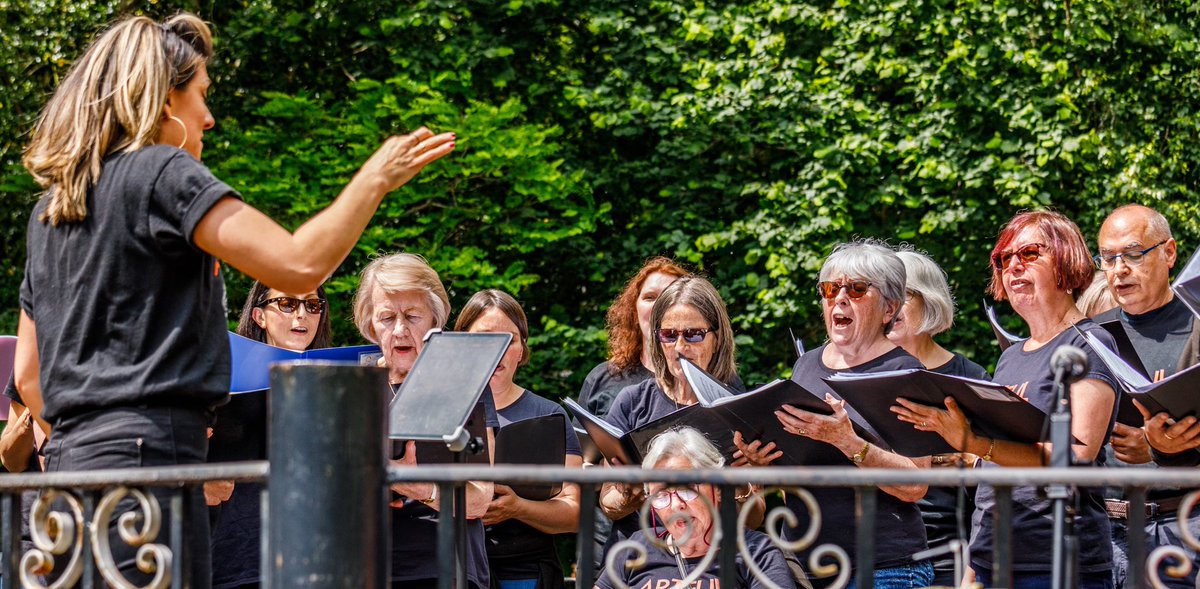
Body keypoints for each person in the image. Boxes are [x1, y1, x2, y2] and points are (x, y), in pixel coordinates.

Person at [14, 13, 452, 588]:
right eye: (200, 95)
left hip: (63, 483)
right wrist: (374, 178)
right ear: (164, 100)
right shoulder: (164, 170)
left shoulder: (52, 208)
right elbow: (298, 266)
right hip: (149, 479)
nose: (209, 116)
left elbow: (29, 377)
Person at [894, 210, 1120, 588]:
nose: (1013, 266)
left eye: (1029, 254)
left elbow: (1076, 454)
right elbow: (991, 477)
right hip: (994, 558)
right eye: (1003, 259)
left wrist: (973, 442)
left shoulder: (1091, 343)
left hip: (1059, 560)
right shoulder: (1011, 357)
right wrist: (973, 566)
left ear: (1067, 261)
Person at [762, 239, 932, 588]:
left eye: (856, 289)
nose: (839, 298)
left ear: (889, 309)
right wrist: (763, 457)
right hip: (802, 563)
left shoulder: (905, 372)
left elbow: (916, 483)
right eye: (829, 289)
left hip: (881, 567)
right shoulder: (807, 364)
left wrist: (847, 441)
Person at [353, 253, 495, 589]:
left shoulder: (460, 383)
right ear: (370, 325)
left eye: (412, 316)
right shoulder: (351, 388)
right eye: (386, 317)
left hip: (445, 568)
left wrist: (412, 484)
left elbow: (480, 499)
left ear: (435, 321)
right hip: (365, 568)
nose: (399, 330)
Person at [598, 276, 762, 561]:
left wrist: (741, 486)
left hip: (713, 565)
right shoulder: (632, 402)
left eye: (693, 334)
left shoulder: (737, 407)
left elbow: (754, 520)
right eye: (669, 335)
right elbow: (607, 502)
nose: (680, 347)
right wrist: (628, 495)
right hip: (641, 561)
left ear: (717, 337)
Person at [1090, 205, 1199, 588]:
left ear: (1169, 252)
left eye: (1134, 254)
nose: (1119, 268)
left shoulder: (1196, 327)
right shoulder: (1090, 336)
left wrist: (1157, 449)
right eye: (1108, 257)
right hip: (1100, 533)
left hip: (1181, 531)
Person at [206, 281, 333, 589]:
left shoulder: (336, 378)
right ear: (259, 316)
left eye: (312, 306)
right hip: (237, 553)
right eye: (287, 304)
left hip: (312, 555)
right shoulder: (221, 375)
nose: (301, 315)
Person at [454, 289, 583, 589]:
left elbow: (575, 512)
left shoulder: (549, 415)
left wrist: (518, 507)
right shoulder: (437, 411)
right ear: (460, 344)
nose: (496, 352)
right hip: (451, 567)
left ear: (522, 349)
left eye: (508, 340)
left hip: (524, 571)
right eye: (485, 339)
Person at [575, 257, 689, 568]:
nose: (657, 306)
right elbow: (576, 466)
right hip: (612, 541)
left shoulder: (716, 382)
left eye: (667, 296)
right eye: (650, 297)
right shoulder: (603, 378)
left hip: (692, 544)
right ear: (633, 307)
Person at [887, 246, 988, 587]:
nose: (890, 305)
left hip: (949, 553)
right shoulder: (864, 377)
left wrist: (974, 569)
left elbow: (991, 475)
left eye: (901, 294)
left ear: (928, 300)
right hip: (879, 550)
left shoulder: (968, 377)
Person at [595, 427, 797, 589]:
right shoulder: (635, 548)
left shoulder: (757, 552)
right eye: (661, 495)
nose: (676, 505)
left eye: (687, 489)